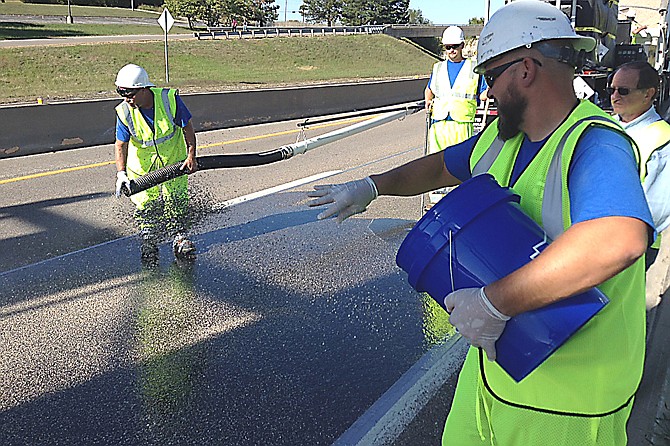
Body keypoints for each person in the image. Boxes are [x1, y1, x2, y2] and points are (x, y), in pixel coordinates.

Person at [307, 2, 653, 444]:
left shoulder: (596, 144)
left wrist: (494, 302)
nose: (486, 93)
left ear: (526, 68)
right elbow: (439, 168)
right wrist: (372, 187)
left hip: (569, 398)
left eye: (491, 76)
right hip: (500, 365)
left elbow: (618, 240)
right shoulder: (504, 137)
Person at [114, 63, 198, 265]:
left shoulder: (169, 100)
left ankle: (180, 238)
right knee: (145, 205)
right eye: (123, 94)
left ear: (144, 89)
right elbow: (120, 144)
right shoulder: (125, 111)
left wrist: (191, 156)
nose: (127, 99)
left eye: (131, 94)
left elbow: (188, 128)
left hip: (174, 163)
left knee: (176, 198)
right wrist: (121, 173)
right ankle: (149, 241)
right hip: (142, 169)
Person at [609, 60, 670, 271]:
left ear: (648, 94)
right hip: (602, 239)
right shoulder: (608, 126)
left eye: (624, 90)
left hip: (634, 249)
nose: (615, 96)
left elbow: (657, 209)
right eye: (612, 89)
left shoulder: (663, 139)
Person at [424, 25, 486, 208]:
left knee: (459, 163)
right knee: (435, 162)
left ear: (462, 45)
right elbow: (430, 89)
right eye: (447, 47)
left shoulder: (474, 68)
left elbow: (482, 92)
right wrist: (428, 100)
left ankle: (459, 203)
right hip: (439, 123)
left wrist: (491, 93)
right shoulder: (438, 68)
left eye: (455, 47)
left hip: (462, 123)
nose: (451, 51)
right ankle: (435, 203)